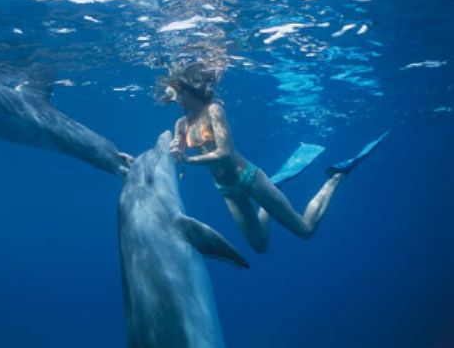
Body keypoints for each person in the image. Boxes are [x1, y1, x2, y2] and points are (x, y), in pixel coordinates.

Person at [159, 63, 380, 253]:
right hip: (226, 189)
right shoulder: (181, 124)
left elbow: (225, 152)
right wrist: (175, 149)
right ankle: (275, 189)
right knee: (260, 246)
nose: (176, 99)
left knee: (305, 229)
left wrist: (188, 161)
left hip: (247, 177)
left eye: (180, 92)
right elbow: (176, 147)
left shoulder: (214, 110)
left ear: (191, 90)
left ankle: (335, 178)